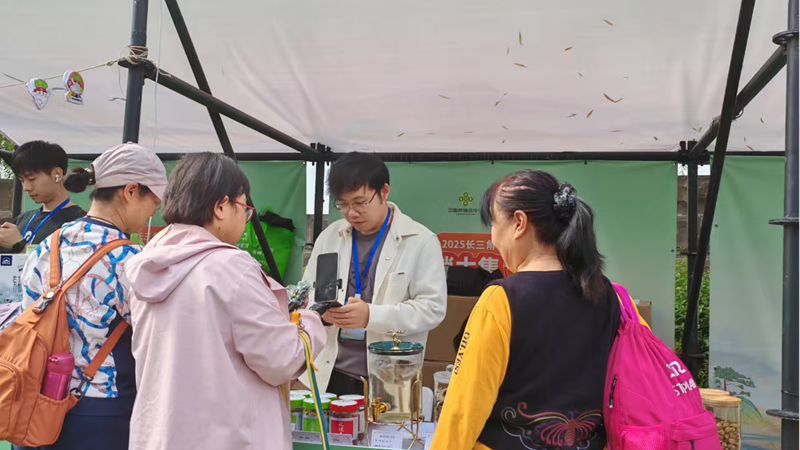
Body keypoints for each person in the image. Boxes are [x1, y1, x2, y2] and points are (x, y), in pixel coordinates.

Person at [121, 152, 326, 450]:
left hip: (161, 434)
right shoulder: (232, 267)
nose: (245, 216)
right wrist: (309, 322)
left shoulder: (147, 262)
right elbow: (281, 359)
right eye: (244, 207)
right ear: (221, 207)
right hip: (228, 437)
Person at [432, 169, 647, 450]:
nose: (493, 238)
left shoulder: (502, 299)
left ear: (519, 223)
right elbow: (638, 380)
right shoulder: (611, 296)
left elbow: (464, 407)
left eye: (494, 224)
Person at [12, 142, 167, 450]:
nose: (155, 211)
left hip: (37, 402)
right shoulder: (131, 260)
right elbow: (154, 341)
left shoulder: (46, 247)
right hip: (101, 410)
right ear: (131, 191)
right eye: (154, 201)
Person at [300, 152, 447, 394]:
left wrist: (371, 316)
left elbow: (432, 309)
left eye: (360, 203)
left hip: (389, 377)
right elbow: (308, 293)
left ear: (384, 191)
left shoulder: (420, 241)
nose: (351, 213)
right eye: (342, 205)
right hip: (328, 372)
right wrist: (321, 313)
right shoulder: (330, 236)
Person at [0, 141, 85, 253]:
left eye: (32, 179)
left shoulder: (80, 222)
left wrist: (20, 246)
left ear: (57, 174)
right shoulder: (23, 218)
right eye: (22, 180)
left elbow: (69, 263)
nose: (26, 187)